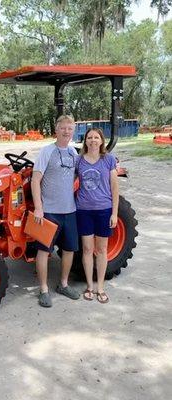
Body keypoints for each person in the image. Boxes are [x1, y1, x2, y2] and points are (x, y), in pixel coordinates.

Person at [31, 115, 80, 308]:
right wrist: (38, 208)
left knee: (68, 250)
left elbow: (78, 175)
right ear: (56, 130)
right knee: (44, 251)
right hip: (49, 211)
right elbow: (36, 180)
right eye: (63, 128)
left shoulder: (74, 154)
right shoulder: (46, 152)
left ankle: (63, 284)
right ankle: (43, 289)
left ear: (73, 131)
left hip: (70, 211)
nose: (66, 131)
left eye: (70, 128)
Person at [76, 128, 119, 304]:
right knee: (87, 249)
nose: (93, 140)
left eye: (96, 137)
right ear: (85, 141)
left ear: (101, 141)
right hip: (84, 210)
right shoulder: (78, 160)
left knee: (101, 250)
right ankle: (89, 286)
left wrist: (115, 213)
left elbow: (115, 188)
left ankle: (100, 287)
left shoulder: (108, 160)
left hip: (104, 210)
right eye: (89, 137)